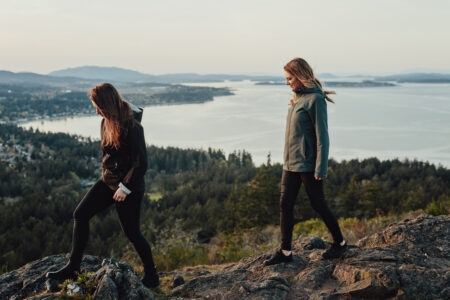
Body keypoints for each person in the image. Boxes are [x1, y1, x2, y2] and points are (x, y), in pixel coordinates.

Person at [46, 83, 159, 288]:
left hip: (128, 188)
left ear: (107, 104)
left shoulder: (133, 126)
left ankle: (152, 276)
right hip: (108, 182)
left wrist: (125, 188)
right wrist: (108, 177)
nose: (96, 110)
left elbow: (141, 163)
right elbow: (108, 155)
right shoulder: (105, 122)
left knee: (132, 233)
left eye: (98, 106)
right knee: (80, 214)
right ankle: (73, 267)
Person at [264, 58, 347, 266]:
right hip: (290, 163)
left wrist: (321, 167)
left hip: (308, 165)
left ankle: (340, 243)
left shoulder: (315, 100)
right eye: (286, 78)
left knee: (318, 204)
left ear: (300, 76)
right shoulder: (297, 99)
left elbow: (323, 136)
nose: (287, 82)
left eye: (290, 78)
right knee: (285, 204)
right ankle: (285, 251)